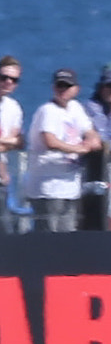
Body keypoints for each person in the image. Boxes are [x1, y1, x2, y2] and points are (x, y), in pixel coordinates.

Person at [25, 69, 102, 232]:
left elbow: (89, 129)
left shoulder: (75, 108)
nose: (63, 90)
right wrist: (79, 149)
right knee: (48, 235)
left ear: (76, 89)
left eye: (67, 86)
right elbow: (50, 141)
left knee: (68, 235)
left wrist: (92, 139)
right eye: (59, 85)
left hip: (70, 186)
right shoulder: (47, 110)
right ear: (54, 87)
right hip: (47, 188)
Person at [0, 56, 22, 194]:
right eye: (3, 77)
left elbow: (19, 142)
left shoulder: (13, 107)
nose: (8, 82)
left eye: (14, 80)